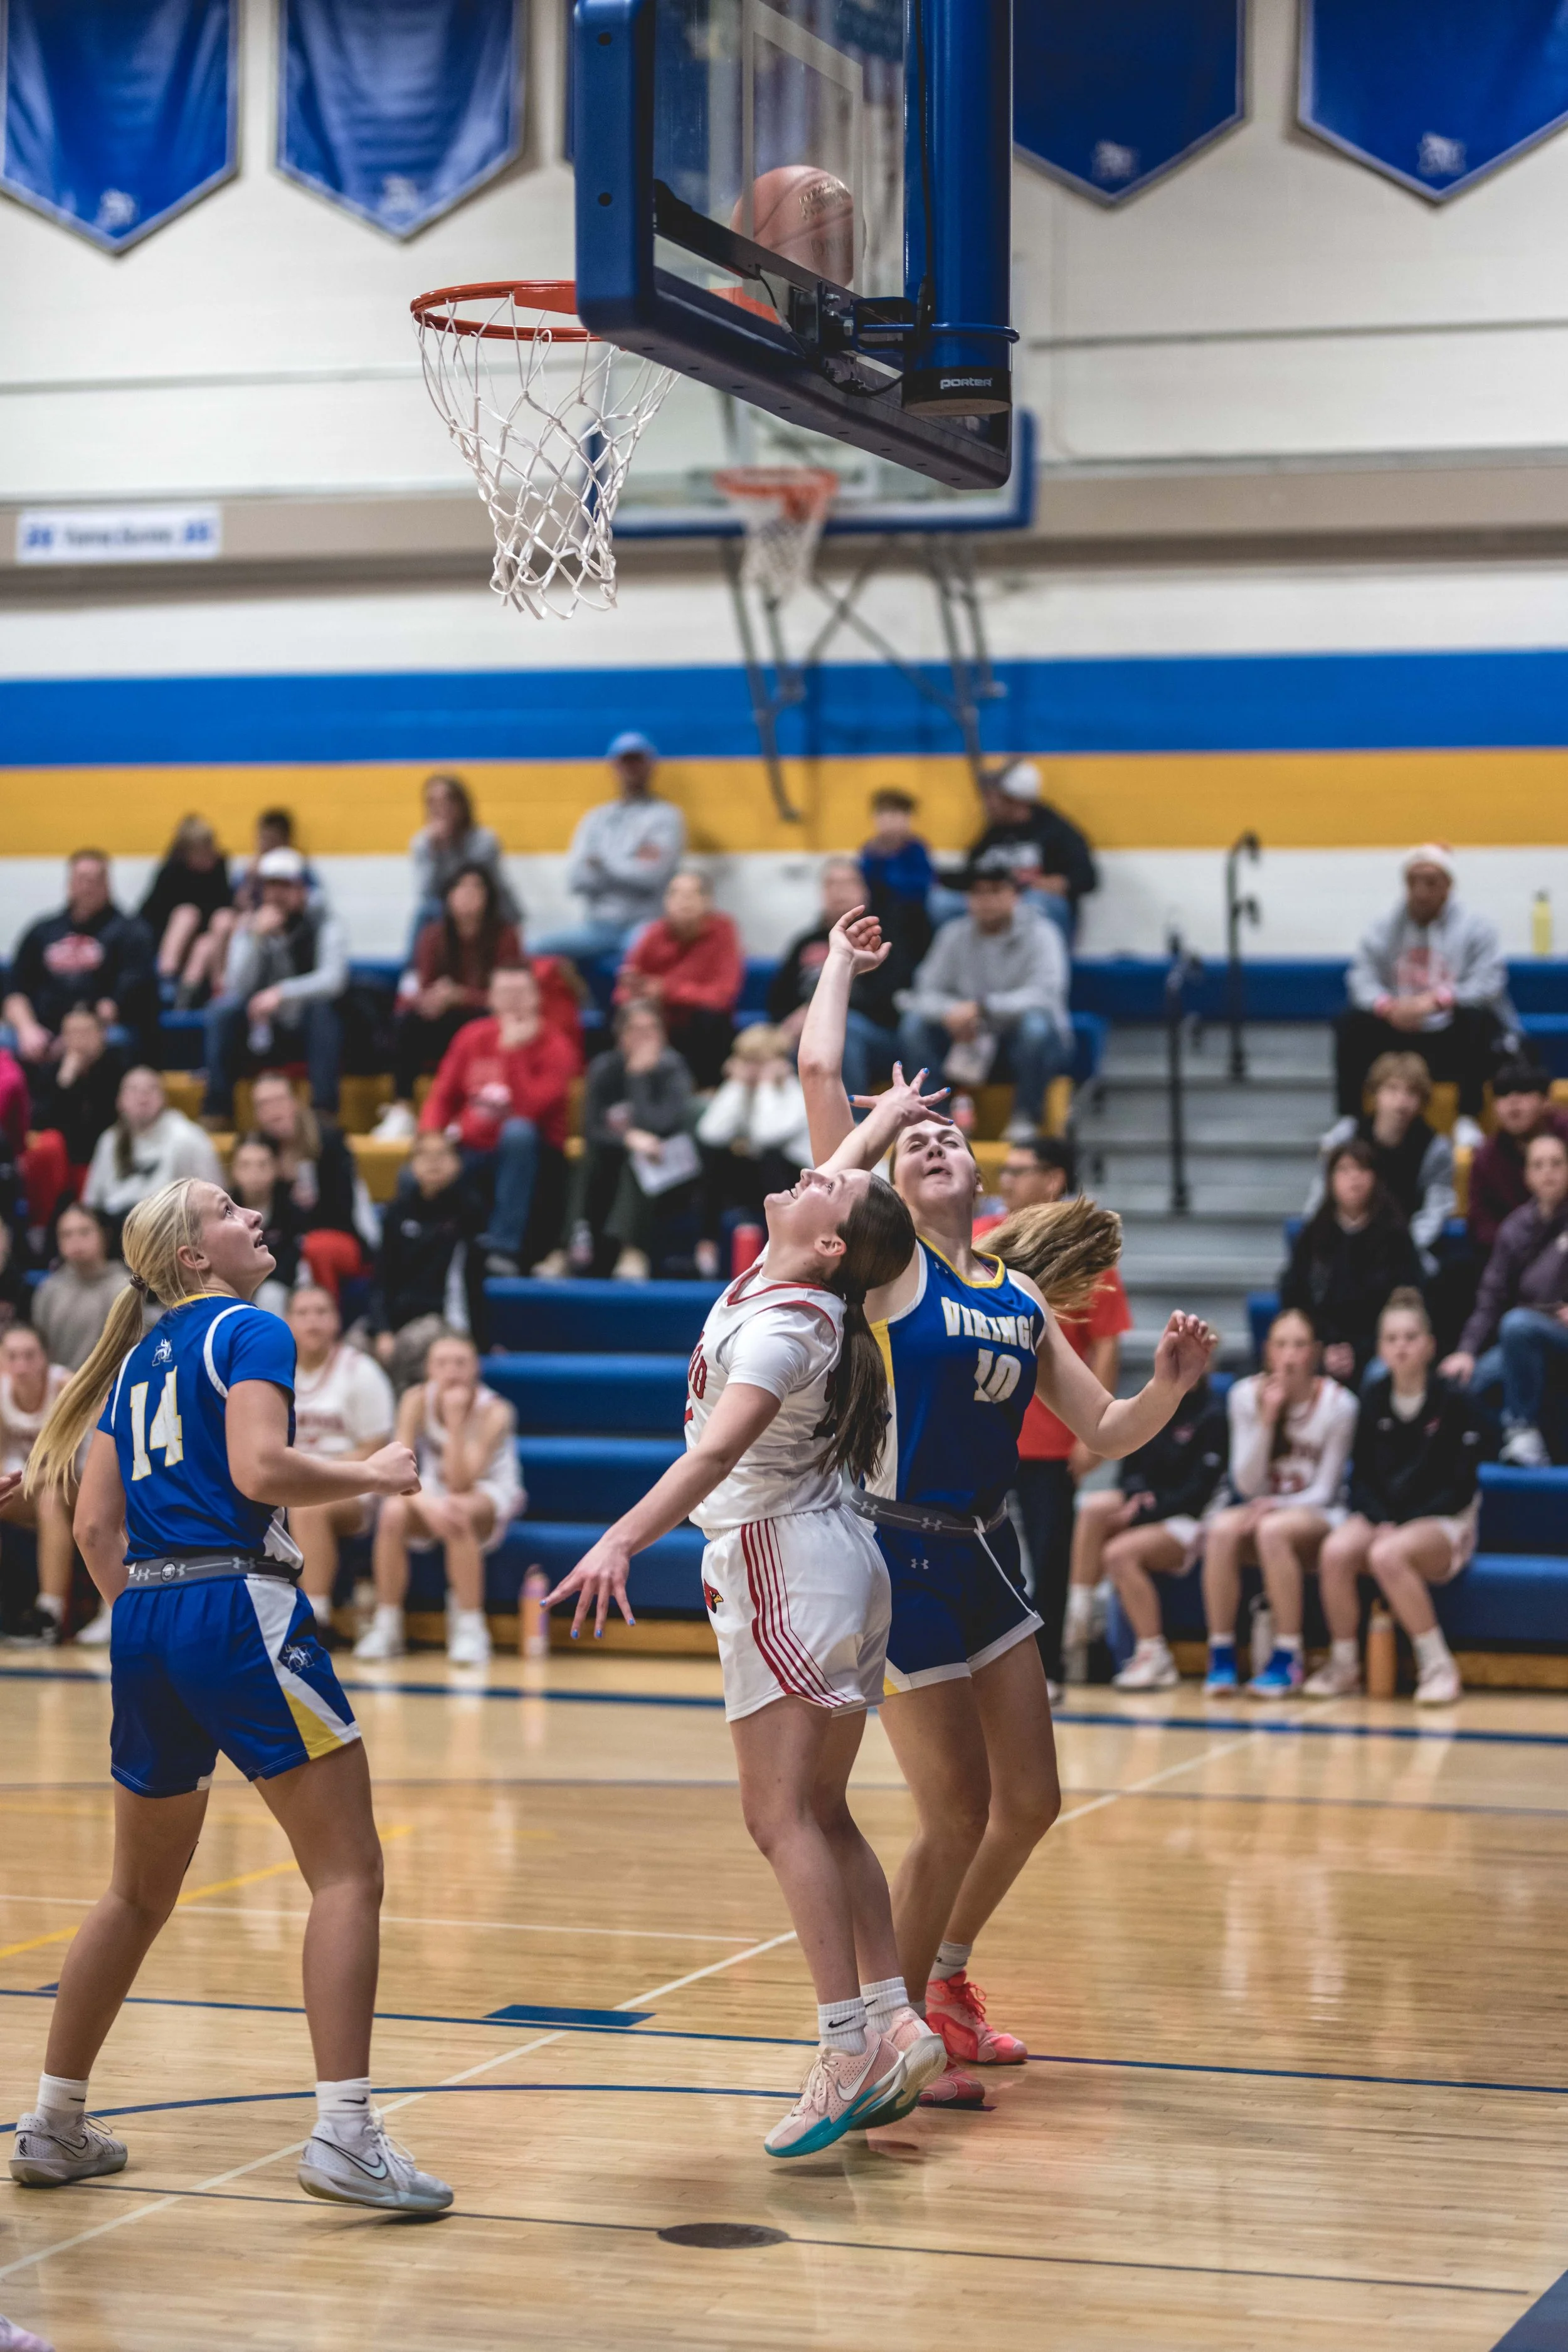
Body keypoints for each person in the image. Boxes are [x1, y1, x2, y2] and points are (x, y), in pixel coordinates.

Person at [800, 909, 1216, 2104]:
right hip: (891, 1551)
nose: (929, 1143)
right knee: (954, 1809)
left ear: (981, 1177)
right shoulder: (881, 1261)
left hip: (979, 1553)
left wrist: (1171, 1387)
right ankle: (893, 2032)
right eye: (914, 1138)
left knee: (1029, 1802)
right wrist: (839, 964)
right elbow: (823, 1076)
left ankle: (945, 1983)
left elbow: (1106, 1429)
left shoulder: (1020, 1294)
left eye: (946, 1138)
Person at [6, 1177, 450, 2213]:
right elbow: (259, 1471)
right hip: (232, 1606)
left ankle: (54, 2123)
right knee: (349, 1874)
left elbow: (91, 1533)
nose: (254, 1215)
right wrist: (372, 1473)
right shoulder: (250, 1331)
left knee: (134, 1893)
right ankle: (344, 2136)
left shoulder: (129, 1367)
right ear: (194, 1256)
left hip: (148, 1621)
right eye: (228, 1209)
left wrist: (152, 1625)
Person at [546, 1158, 950, 2154]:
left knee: (776, 1814)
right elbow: (841, 1151)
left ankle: (844, 2045)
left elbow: (713, 1454)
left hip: (784, 1561)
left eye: (832, 1184)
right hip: (838, 1561)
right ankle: (895, 2014)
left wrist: (621, 1539)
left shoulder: (785, 1323)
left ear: (830, 1246)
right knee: (821, 1809)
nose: (818, 1167)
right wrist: (882, 1105)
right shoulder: (801, 1284)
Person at [1308, 1291, 1481, 1706]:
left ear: (1429, 1345)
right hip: (1388, 1517)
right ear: (1381, 1347)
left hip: (1444, 1518)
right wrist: (1381, 1517)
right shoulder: (1373, 1397)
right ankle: (1345, 1664)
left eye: (1410, 1336)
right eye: (1392, 1338)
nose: (1401, 1345)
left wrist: (1399, 1522)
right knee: (1335, 1551)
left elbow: (1459, 1485)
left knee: (1388, 1555)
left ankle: (1438, 1666)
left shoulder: (1454, 1400)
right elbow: (1363, 1477)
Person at [1200, 1308, 1358, 1698]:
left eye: (1300, 1345)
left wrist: (1277, 1506)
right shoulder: (1243, 1396)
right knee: (1219, 1529)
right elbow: (1245, 1483)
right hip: (1264, 1507)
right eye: (1282, 1345)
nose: (1290, 1355)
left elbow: (1325, 1489)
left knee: (1274, 1530)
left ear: (1315, 1353)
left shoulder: (1340, 1405)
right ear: (1268, 1352)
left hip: (1322, 1514)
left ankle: (1288, 1656)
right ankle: (1221, 1654)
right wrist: (1268, 1421)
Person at [377, 865, 580, 1140]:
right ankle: (402, 1108)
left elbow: (511, 992)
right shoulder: (432, 935)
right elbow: (421, 984)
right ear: (447, 896)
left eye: (476, 888)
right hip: (448, 1019)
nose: (468, 895)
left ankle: (471, 1113)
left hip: (487, 1017)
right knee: (406, 1023)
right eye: (461, 887)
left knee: (483, 1024)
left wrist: (462, 996)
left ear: (489, 897)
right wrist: (433, 998)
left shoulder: (505, 935)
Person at [356, 1332, 521, 1667]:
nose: (452, 1371)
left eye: (460, 1363)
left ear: (476, 1368)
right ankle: (387, 1625)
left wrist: (457, 1422)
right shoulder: (415, 1400)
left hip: (487, 1492)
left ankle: (471, 1628)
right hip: (429, 1492)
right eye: (442, 1363)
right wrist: (428, 1502)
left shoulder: (497, 1411)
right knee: (392, 1513)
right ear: (429, 1369)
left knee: (457, 1509)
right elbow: (398, 1468)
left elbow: (462, 1482)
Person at [1337, 847, 1515, 1136]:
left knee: (1479, 1020)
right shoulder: (1383, 926)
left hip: (1448, 1033)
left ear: (1448, 886)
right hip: (1399, 1029)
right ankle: (1351, 1118)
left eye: (1431, 883)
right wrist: (1387, 1006)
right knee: (1351, 1022)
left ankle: (1468, 1118)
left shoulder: (1477, 927)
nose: (1421, 892)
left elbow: (1489, 982)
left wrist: (1436, 1002)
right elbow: (1360, 977)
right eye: (1413, 882)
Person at [898, 856, 1074, 1143]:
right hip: (967, 1040)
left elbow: (1046, 995)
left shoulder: (1043, 934)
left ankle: (1026, 1119)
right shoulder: (952, 935)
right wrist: (951, 1012)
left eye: (996, 891)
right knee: (914, 1026)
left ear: (1016, 896)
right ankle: (938, 1119)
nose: (986, 900)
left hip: (1022, 1044)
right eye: (978, 892)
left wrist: (983, 1008)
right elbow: (923, 993)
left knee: (1036, 1027)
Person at [419, 966, 578, 1278]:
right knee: (416, 1172)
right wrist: (430, 1138)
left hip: (535, 1156)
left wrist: (513, 1052)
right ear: (491, 999)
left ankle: (504, 1249)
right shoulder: (472, 1036)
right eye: (506, 994)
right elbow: (443, 1095)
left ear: (536, 999)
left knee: (518, 1133)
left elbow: (530, 1110)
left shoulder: (557, 1046)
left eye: (521, 993)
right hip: (472, 1148)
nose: (514, 1002)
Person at [1077, 1377, 1231, 1692]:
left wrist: (1146, 1508)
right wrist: (1136, 1497)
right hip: (1152, 1507)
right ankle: (1078, 1616)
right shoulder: (1148, 1403)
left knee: (1118, 1554)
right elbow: (1127, 1466)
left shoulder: (1213, 1414)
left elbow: (1198, 1492)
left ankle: (1154, 1653)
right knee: (1094, 1509)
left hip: (1194, 1519)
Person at [536, 1000, 696, 1283]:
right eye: (635, 1030)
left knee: (642, 1157)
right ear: (620, 1035)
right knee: (587, 1157)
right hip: (614, 1158)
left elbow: (666, 1124)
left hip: (669, 1162)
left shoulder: (673, 1068)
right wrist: (628, 1138)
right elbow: (593, 1127)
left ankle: (632, 1251)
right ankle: (564, 1250)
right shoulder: (604, 1068)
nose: (644, 1037)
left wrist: (639, 1078)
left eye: (652, 1029)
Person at [1442, 1130, 1568, 1465]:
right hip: (1525, 1337)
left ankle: (1523, 1428)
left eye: (1557, 1163)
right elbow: (1491, 1297)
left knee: (1516, 1325)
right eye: (1539, 1165)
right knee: (1469, 1385)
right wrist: (1466, 1350)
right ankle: (1531, 1444)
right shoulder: (1514, 1228)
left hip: (1558, 1332)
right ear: (1527, 1176)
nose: (1548, 1172)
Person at [287, 1286, 396, 1653]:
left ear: (336, 1321)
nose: (312, 1321)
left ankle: (316, 1620)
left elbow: (375, 1447)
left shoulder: (360, 1371)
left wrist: (318, 1475)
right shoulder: (273, 1371)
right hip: (290, 1481)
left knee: (308, 1506)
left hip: (352, 1485)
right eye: (303, 1313)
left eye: (321, 1311)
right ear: (287, 1321)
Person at [204, 848, 347, 1124]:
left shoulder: (325, 923)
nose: (277, 895)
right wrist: (254, 939)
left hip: (306, 1027)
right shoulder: (251, 927)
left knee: (323, 1011)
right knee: (222, 1012)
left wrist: (281, 993)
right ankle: (217, 1111)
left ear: (302, 889)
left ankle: (324, 1112)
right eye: (271, 886)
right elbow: (236, 986)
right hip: (263, 1027)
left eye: (285, 886)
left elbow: (334, 980)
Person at [1280, 1138, 1425, 1386]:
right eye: (1344, 1170)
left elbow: (1408, 1298)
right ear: (1331, 1179)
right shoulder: (1313, 1235)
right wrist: (1323, 1349)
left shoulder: (1395, 1234)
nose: (1354, 1178)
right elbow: (1295, 1299)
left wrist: (1361, 1351)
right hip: (1320, 1347)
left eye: (1362, 1169)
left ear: (1375, 1178)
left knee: (1380, 1375)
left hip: (1380, 1346)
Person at [535, 731, 686, 965]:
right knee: (535, 948)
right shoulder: (595, 819)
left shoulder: (666, 817)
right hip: (598, 925)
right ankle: (584, 1001)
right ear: (614, 767)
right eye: (625, 761)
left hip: (645, 923)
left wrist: (602, 864)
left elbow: (651, 877)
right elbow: (576, 880)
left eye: (637, 760)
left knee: (640, 955)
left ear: (651, 766)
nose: (631, 768)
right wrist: (630, 864)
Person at [4, 851, 156, 1069]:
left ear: (107, 884)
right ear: (70, 883)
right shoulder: (42, 930)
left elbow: (120, 1001)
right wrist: (27, 1029)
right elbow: (14, 991)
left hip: (98, 1027)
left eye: (95, 880)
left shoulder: (131, 933)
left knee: (109, 1042)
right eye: (82, 879)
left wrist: (74, 1038)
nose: (88, 886)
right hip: (42, 1029)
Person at [768, 857, 904, 1098]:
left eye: (848, 883)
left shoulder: (881, 935)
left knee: (841, 1026)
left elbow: (889, 1000)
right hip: (808, 1032)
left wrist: (816, 1012)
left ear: (864, 890)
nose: (839, 891)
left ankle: (853, 1121)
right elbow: (778, 1000)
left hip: (872, 1034)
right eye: (831, 884)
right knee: (760, 1041)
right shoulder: (805, 942)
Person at [1308, 1052, 1456, 1272]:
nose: (1401, 1102)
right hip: (1344, 1241)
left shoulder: (1436, 1149)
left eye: (1412, 1093)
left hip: (1402, 1248)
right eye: (1392, 1089)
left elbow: (1434, 1212)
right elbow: (1320, 1198)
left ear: (1423, 1100)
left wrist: (1398, 1248)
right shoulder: (1345, 1136)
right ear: (1375, 1093)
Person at [695, 1024, 812, 1278]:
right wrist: (736, 1086)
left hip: (794, 1181)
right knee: (716, 1157)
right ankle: (707, 1244)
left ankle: (784, 1246)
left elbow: (766, 1134)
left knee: (770, 1156)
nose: (754, 1070)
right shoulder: (738, 1089)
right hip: (752, 1183)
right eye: (748, 1061)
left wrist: (766, 1086)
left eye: (762, 1062)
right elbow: (710, 1134)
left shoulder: (796, 1092)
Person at [369, 1129, 486, 1383]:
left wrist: (481, 1340)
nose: (434, 1162)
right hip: (398, 1316)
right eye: (424, 1155)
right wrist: (382, 1329)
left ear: (458, 1163)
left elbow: (470, 1284)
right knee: (355, 1346)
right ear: (411, 1166)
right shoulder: (396, 1212)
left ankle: (399, 1417)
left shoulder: (470, 1210)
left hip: (442, 1317)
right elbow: (381, 1279)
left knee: (406, 1347)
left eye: (442, 1155)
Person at [248, 1072, 371, 1303]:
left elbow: (344, 1210)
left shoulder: (328, 1140)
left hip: (338, 1234)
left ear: (295, 1102)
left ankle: (324, 1318)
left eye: (279, 1101)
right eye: (264, 1104)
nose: (273, 1111)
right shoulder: (259, 1149)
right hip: (284, 1241)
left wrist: (303, 1207)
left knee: (314, 1247)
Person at [615, 869, 743, 1089]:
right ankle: (627, 1088)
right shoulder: (652, 934)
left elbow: (724, 994)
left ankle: (706, 1090)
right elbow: (624, 989)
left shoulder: (724, 931)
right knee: (629, 1017)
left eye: (692, 895)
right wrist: (639, 995)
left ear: (707, 901)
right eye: (676, 895)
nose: (684, 902)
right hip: (661, 1021)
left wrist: (667, 991)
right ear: (666, 901)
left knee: (711, 1018)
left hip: (700, 1027)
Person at [83, 1068, 221, 1249]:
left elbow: (215, 1198)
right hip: (117, 1235)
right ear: (119, 1101)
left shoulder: (188, 1138)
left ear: (165, 1099)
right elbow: (92, 1202)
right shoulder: (109, 1140)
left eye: (151, 1090)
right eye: (133, 1090)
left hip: (169, 1233)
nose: (143, 1096)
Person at [961, 760, 1096, 941]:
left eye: (994, 797)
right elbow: (971, 871)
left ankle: (1034, 963)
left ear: (1015, 800)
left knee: (1030, 906)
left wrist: (1039, 884)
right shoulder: (992, 833)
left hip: (1035, 903)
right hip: (996, 902)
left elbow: (1087, 878)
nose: (987, 803)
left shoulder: (1056, 831)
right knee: (942, 904)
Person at [0, 1326, 74, 1647]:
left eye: (29, 1356)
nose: (21, 1366)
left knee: (49, 1497)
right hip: (27, 1491)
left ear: (45, 1359)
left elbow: (66, 1468)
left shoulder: (65, 1387)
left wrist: (24, 1482)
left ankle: (50, 1617)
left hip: (80, 1489)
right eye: (12, 1357)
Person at [21, 1009, 125, 1233]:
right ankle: (41, 1227)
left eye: (86, 1032)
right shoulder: (52, 1072)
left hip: (104, 1155)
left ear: (102, 1035)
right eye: (72, 1033)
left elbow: (114, 1119)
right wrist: (65, 1083)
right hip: (64, 1162)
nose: (79, 1040)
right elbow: (38, 1123)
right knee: (47, 1145)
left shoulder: (117, 1068)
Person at [1467, 1061, 1568, 1256]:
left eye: (1523, 1092)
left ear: (1546, 1100)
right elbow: (1481, 1224)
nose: (1513, 1102)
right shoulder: (1486, 1158)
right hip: (1514, 1258)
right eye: (1503, 1094)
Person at [136, 816, 236, 1005]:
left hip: (205, 941)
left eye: (211, 847)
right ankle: (168, 975)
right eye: (202, 850)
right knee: (187, 914)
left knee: (210, 936)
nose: (209, 854)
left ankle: (194, 990)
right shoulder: (171, 873)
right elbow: (149, 915)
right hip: (172, 939)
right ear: (187, 853)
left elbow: (224, 906)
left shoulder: (220, 867)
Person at [408, 772, 519, 936]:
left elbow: (479, 885)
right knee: (425, 912)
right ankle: (414, 963)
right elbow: (426, 893)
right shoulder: (423, 843)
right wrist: (436, 854)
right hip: (445, 909)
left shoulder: (483, 839)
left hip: (487, 904)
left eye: (447, 801)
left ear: (461, 805)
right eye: (433, 802)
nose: (441, 809)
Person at [33, 1205, 134, 1376]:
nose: (75, 1241)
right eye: (66, 1234)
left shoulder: (125, 1286)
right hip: (59, 1390)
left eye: (84, 1232)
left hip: (109, 1388)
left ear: (104, 1236)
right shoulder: (49, 1289)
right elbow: (39, 1349)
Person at [226, 1134, 300, 1312]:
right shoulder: (220, 1211)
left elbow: (291, 1264)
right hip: (231, 1284)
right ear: (233, 1171)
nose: (254, 1174)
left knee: (271, 1294)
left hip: (278, 1287)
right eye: (245, 1165)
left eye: (262, 1165)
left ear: (276, 1168)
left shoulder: (293, 1211)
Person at [973, 1133, 1078, 1242]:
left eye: (1017, 1172)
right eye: (1004, 1171)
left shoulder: (1076, 1236)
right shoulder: (980, 1233)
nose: (1006, 1180)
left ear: (1053, 1180)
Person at [859, 787, 936, 930]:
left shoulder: (916, 848)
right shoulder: (871, 850)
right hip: (878, 912)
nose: (890, 821)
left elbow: (922, 885)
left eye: (896, 815)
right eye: (883, 814)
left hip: (913, 912)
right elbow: (864, 886)